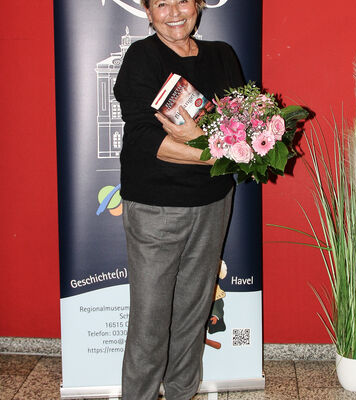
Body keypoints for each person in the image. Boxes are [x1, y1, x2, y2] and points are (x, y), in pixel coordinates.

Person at [113, 0, 244, 399]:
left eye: (182, 0)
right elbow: (145, 138)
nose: (173, 12)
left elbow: (240, 123)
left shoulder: (223, 56)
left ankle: (182, 394)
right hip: (155, 208)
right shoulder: (142, 58)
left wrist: (215, 143)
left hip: (212, 203)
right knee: (150, 323)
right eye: (161, 3)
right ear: (147, 12)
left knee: (193, 315)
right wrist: (213, 151)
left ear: (199, 4)